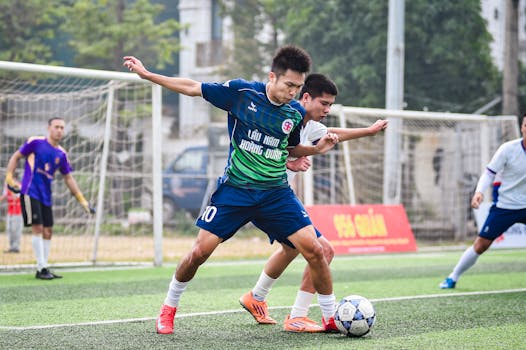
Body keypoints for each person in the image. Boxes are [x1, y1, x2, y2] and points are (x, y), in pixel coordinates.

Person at [123, 46, 340, 335]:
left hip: (276, 193)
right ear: (272, 76)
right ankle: (168, 308)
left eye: (298, 87)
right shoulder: (241, 93)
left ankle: (330, 317)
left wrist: (314, 150)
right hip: (236, 190)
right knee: (200, 252)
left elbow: (288, 146)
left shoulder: (295, 112)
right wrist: (147, 74)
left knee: (316, 250)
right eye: (289, 85)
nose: (292, 92)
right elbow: (191, 87)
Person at [238, 73, 388, 332]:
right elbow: (261, 147)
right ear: (305, 97)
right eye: (324, 104)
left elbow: (334, 133)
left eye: (331, 105)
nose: (328, 110)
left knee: (292, 248)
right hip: (264, 195)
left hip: (276, 197)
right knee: (323, 250)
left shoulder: (310, 126)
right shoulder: (282, 116)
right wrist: (288, 162)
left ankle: (257, 297)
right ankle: (297, 316)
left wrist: (369, 130)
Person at [439, 112, 526, 289]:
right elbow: (489, 173)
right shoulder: (508, 149)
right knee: (481, 245)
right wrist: (479, 192)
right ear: (522, 128)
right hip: (505, 206)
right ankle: (452, 277)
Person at [5, 117, 95, 280]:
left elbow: (68, 178)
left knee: (48, 231)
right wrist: (9, 178)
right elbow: (16, 156)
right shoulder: (35, 142)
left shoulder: (61, 153)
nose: (59, 130)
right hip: (29, 191)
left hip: (46, 195)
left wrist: (82, 201)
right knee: (38, 228)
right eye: (56, 127)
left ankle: (45, 266)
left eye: (62, 127)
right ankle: (41, 268)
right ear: (49, 128)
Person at [1, 172, 23, 253]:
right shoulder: (7, 186)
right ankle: (11, 247)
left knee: (15, 229)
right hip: (10, 211)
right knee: (9, 229)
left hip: (18, 212)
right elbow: (4, 196)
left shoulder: (18, 186)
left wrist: (13, 188)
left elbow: (16, 197)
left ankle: (16, 247)